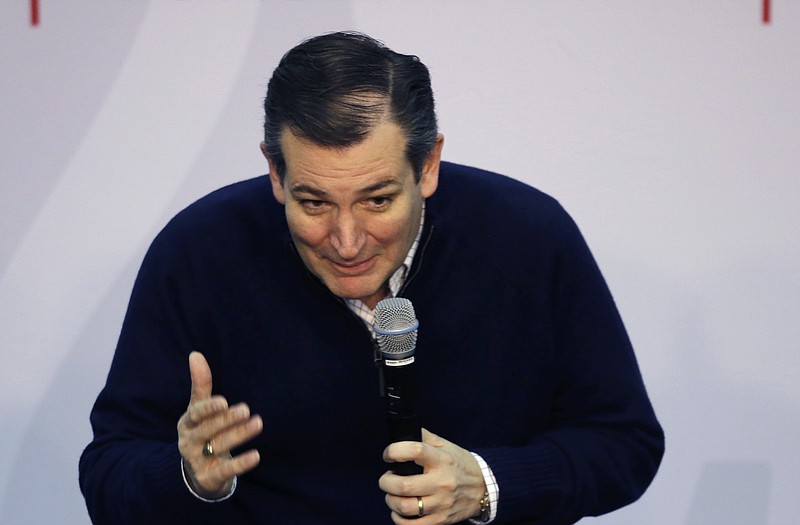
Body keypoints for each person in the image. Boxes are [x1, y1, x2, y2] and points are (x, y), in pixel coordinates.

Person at [79, 31, 664, 525]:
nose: (347, 240)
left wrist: (488, 483)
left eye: (378, 200)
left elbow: (625, 443)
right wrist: (189, 477)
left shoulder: (529, 237)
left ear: (428, 165)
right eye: (313, 203)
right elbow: (108, 472)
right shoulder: (200, 251)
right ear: (275, 174)